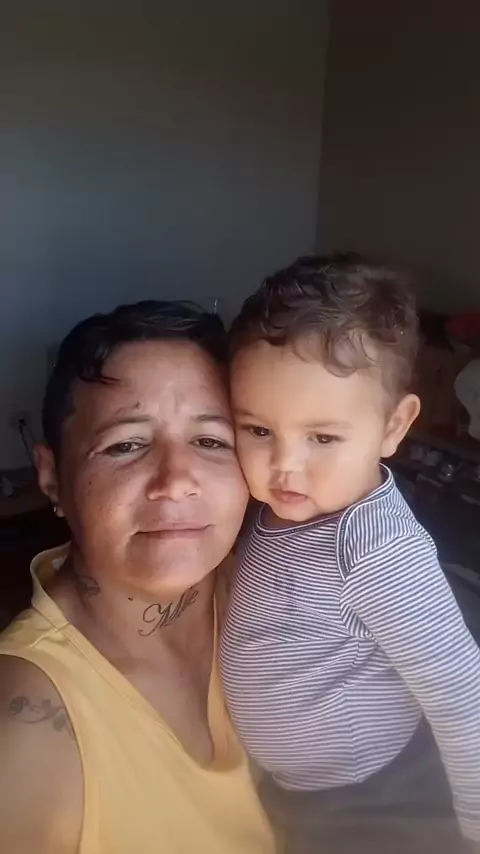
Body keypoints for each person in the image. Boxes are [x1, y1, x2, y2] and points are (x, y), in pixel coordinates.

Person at [220, 255, 480, 854]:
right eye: (258, 430)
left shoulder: (377, 549)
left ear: (393, 427)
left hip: (375, 800)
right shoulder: (273, 508)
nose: (284, 466)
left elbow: (461, 693)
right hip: (298, 791)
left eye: (323, 437)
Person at [0, 300, 275, 854]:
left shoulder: (281, 591)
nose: (175, 481)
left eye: (211, 441)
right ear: (51, 476)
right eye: (126, 444)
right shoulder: (29, 737)